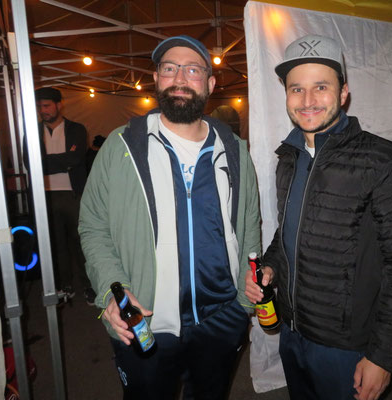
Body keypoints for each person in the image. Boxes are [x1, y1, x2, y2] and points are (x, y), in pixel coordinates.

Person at [245, 34, 392, 400]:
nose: (308, 100)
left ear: (343, 93)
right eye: (297, 89)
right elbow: (288, 233)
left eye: (321, 87)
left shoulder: (385, 160)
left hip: (345, 347)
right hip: (292, 332)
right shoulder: (289, 158)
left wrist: (383, 357)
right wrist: (270, 268)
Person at [78, 35, 261, 399]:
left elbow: (249, 224)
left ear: (210, 83)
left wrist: (243, 304)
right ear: (156, 78)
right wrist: (112, 290)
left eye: (192, 70)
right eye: (169, 68)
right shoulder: (121, 146)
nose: (179, 78)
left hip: (221, 319)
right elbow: (94, 226)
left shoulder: (235, 151)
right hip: (144, 321)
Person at [24, 87, 96, 305]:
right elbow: (29, 162)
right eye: (39, 106)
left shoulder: (76, 129)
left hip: (73, 194)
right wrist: (61, 161)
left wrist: (45, 162)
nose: (42, 110)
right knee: (56, 245)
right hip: (45, 196)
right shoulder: (32, 132)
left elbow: (75, 159)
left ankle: (90, 286)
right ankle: (65, 286)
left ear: (59, 105)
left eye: (46, 106)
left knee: (81, 242)